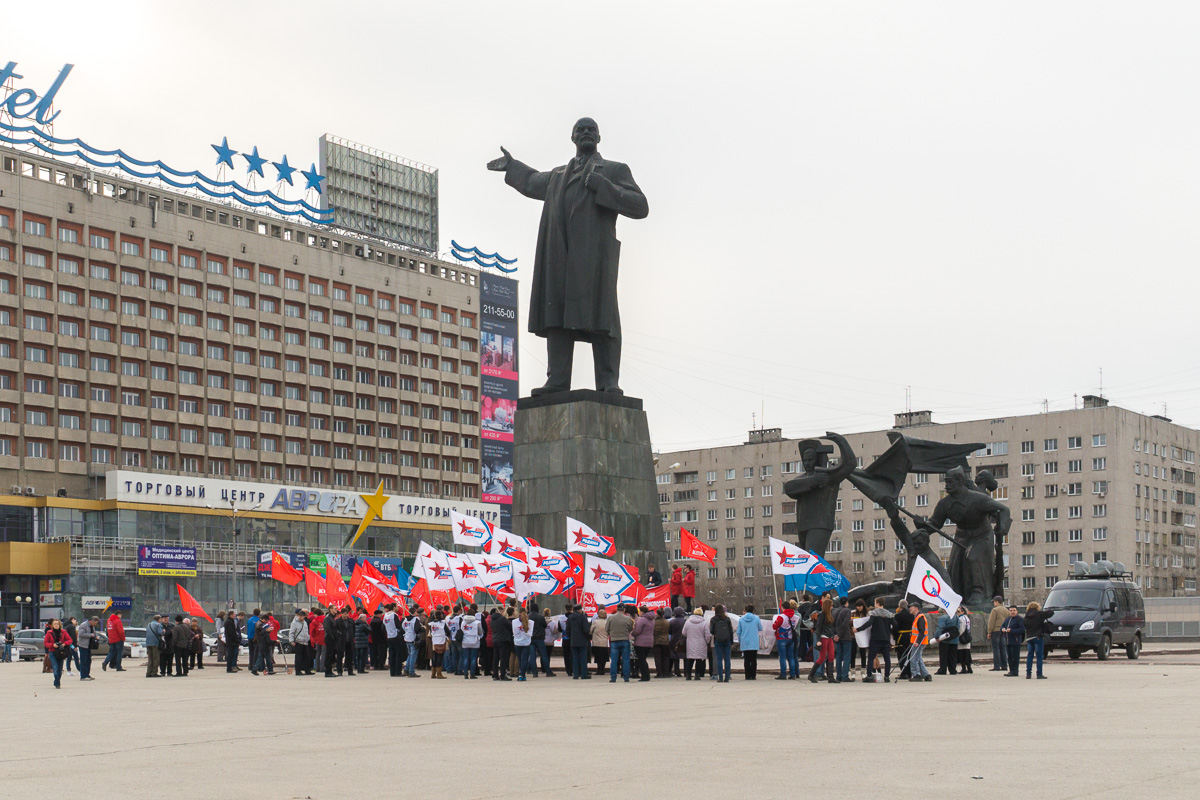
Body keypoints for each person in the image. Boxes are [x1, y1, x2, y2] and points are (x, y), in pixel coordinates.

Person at [487, 117, 648, 396]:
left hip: (595, 259)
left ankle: (609, 382)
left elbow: (640, 205)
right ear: (573, 138)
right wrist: (512, 166)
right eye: (580, 130)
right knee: (557, 316)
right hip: (559, 257)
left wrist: (605, 188)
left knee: (603, 318)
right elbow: (532, 181)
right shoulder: (558, 176)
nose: (586, 133)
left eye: (591, 130)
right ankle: (557, 380)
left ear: (599, 137)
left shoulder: (613, 170)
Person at [864, 598, 895, 683]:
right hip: (885, 639)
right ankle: (887, 676)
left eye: (875, 603)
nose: (874, 605)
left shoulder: (874, 613)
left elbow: (869, 623)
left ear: (877, 604)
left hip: (875, 638)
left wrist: (858, 629)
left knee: (871, 658)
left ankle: (869, 676)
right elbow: (895, 625)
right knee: (887, 658)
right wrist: (889, 632)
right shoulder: (889, 614)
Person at [1023, 601, 1055, 679]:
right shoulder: (1039, 614)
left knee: (1030, 655)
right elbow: (1051, 613)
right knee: (1039, 656)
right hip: (1037, 637)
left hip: (1029, 638)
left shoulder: (1026, 617)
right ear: (1037, 608)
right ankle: (1039, 674)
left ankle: (1028, 674)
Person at [809, 597, 836, 684]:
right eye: (831, 605)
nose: (832, 607)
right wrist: (818, 640)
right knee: (822, 658)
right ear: (828, 606)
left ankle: (830, 676)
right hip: (824, 637)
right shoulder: (822, 615)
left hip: (829, 637)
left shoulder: (829, 615)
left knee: (831, 656)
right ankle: (811, 674)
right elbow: (818, 628)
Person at [605, 604, 634, 683]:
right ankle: (626, 677)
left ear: (617, 609)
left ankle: (613, 677)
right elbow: (630, 629)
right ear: (624, 609)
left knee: (614, 660)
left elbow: (606, 629)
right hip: (624, 640)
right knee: (626, 660)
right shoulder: (628, 619)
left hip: (614, 640)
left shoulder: (611, 618)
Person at [772, 600, 800, 680]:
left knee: (783, 657)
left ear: (783, 608)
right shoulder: (796, 617)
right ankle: (792, 674)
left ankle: (783, 674)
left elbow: (775, 626)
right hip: (791, 638)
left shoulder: (781, 617)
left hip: (782, 638)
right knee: (791, 657)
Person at [682, 608, 711, 680]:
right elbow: (707, 635)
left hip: (690, 643)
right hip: (701, 643)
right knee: (699, 660)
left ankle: (688, 675)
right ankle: (697, 675)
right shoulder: (704, 623)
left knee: (690, 659)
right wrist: (707, 642)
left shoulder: (688, 622)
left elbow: (684, 632)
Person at [44, 618, 73, 689]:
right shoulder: (49, 633)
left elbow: (70, 640)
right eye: (55, 624)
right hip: (52, 652)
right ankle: (57, 683)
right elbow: (45, 643)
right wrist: (52, 645)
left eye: (57, 624)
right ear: (52, 625)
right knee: (55, 667)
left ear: (60, 625)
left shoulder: (64, 632)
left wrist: (64, 644)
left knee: (60, 669)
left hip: (61, 652)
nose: (56, 625)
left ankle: (56, 680)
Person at [708, 605, 734, 683]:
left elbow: (711, 631)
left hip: (718, 640)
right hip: (727, 641)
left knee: (719, 659)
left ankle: (720, 677)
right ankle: (727, 677)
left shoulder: (713, 619)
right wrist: (731, 642)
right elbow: (731, 631)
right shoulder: (727, 619)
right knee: (727, 659)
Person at [907, 603, 932, 682]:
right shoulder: (917, 617)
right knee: (918, 658)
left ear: (916, 608)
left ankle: (916, 675)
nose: (909, 608)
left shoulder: (920, 617)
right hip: (919, 641)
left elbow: (922, 631)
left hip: (918, 642)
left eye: (911, 607)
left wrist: (917, 641)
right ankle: (926, 675)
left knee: (913, 658)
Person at [737, 605, 763, 680]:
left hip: (745, 641)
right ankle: (753, 675)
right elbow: (760, 628)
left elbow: (738, 632)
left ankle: (747, 675)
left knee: (746, 660)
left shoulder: (741, 619)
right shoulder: (756, 618)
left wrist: (740, 640)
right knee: (753, 659)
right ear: (753, 610)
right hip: (754, 641)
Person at [563, 604, 589, 680]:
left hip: (573, 640)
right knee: (583, 657)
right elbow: (586, 629)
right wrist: (587, 637)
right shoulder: (583, 617)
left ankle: (575, 674)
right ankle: (584, 674)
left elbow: (567, 630)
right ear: (580, 610)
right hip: (582, 640)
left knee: (574, 658)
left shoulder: (570, 618)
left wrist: (572, 637)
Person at [832, 598, 854, 683]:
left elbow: (832, 625)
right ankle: (845, 676)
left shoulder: (835, 611)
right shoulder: (847, 611)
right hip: (845, 636)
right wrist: (839, 635)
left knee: (838, 657)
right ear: (846, 603)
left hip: (837, 637)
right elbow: (845, 624)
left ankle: (838, 675)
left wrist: (835, 635)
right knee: (846, 657)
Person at [933, 608, 960, 676]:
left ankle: (943, 669)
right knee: (953, 655)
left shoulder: (943, 617)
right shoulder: (956, 617)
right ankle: (952, 670)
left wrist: (937, 636)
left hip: (944, 639)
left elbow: (940, 627)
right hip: (954, 639)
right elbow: (958, 627)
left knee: (943, 655)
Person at [632, 605, 655, 682]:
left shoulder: (642, 620)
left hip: (640, 642)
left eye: (640, 611)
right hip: (649, 641)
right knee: (644, 659)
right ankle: (647, 675)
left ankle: (645, 676)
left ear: (642, 612)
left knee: (641, 660)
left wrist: (633, 632)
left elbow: (637, 631)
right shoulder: (652, 620)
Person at [987, 596, 1009, 672]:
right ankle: (1004, 665)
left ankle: (996, 666)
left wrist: (989, 631)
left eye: (994, 601)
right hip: (1003, 630)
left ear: (996, 602)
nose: (993, 603)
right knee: (1003, 648)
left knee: (996, 648)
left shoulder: (995, 610)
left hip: (995, 630)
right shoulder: (1006, 610)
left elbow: (991, 621)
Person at [1002, 606, 1025, 677]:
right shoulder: (1008, 619)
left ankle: (1015, 671)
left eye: (1014, 610)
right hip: (1008, 640)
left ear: (1017, 611)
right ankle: (1011, 670)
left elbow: (1022, 629)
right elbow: (1002, 626)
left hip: (1015, 640)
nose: (1012, 612)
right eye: (1011, 610)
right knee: (1009, 656)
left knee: (1015, 657)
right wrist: (1002, 629)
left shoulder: (1019, 619)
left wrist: (1011, 630)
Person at [490, 607, 513, 681]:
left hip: (495, 639)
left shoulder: (492, 620)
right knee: (503, 658)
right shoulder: (502, 619)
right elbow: (510, 626)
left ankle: (495, 674)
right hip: (503, 640)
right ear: (500, 611)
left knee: (496, 658)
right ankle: (503, 674)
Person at [894, 600, 914, 680]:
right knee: (909, 654)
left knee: (901, 654)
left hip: (901, 636)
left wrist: (895, 636)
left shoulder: (898, 616)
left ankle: (903, 672)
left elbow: (895, 627)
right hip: (910, 635)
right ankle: (909, 672)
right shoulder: (911, 615)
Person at [512, 609, 533, 681]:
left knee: (520, 659)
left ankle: (521, 674)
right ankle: (522, 674)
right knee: (525, 659)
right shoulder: (531, 622)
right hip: (526, 642)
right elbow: (530, 633)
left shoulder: (514, 622)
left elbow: (514, 632)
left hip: (517, 642)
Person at [383, 604, 403, 677]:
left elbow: (383, 626)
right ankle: (398, 671)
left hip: (389, 636)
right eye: (397, 607)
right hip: (395, 635)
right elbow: (398, 626)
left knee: (391, 654)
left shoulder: (385, 615)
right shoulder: (394, 615)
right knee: (398, 654)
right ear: (394, 607)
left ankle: (392, 672)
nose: (398, 608)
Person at [428, 611, 450, 679]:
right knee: (440, 657)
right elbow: (447, 632)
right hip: (441, 640)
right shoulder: (443, 623)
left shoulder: (431, 623)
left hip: (434, 641)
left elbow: (430, 632)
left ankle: (433, 673)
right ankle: (439, 673)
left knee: (435, 656)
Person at [532, 608, 552, 677]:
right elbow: (545, 626)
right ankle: (548, 671)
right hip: (540, 638)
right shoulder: (540, 617)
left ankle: (534, 672)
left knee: (532, 656)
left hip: (531, 638)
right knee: (544, 655)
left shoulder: (528, 617)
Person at [291, 610, 312, 676]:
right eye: (299, 616)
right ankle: (298, 671)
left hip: (305, 642)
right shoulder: (294, 623)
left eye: (301, 616)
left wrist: (308, 638)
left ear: (304, 616)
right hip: (298, 641)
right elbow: (291, 632)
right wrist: (292, 641)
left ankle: (307, 670)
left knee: (307, 657)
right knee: (298, 657)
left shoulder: (305, 622)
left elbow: (306, 631)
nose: (300, 617)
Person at [590, 609, 610, 677]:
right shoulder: (607, 622)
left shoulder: (595, 622)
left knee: (597, 657)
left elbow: (590, 631)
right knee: (604, 657)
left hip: (596, 642)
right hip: (604, 642)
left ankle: (599, 670)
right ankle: (603, 669)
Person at [653, 608, 672, 678]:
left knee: (658, 658)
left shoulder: (654, 622)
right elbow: (670, 631)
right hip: (665, 641)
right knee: (666, 657)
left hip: (656, 641)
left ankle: (659, 672)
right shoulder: (667, 622)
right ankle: (666, 672)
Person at [956, 607, 974, 674]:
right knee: (967, 653)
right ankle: (969, 668)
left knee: (961, 654)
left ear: (962, 612)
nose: (957, 613)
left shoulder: (961, 619)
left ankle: (964, 668)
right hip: (967, 637)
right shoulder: (967, 618)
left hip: (962, 638)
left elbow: (961, 628)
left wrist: (958, 635)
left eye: (958, 611)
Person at [246, 609, 261, 675]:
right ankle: (254, 665)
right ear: (259, 613)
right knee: (256, 652)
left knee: (251, 652)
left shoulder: (249, 620)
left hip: (249, 637)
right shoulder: (258, 620)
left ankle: (250, 665)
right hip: (256, 638)